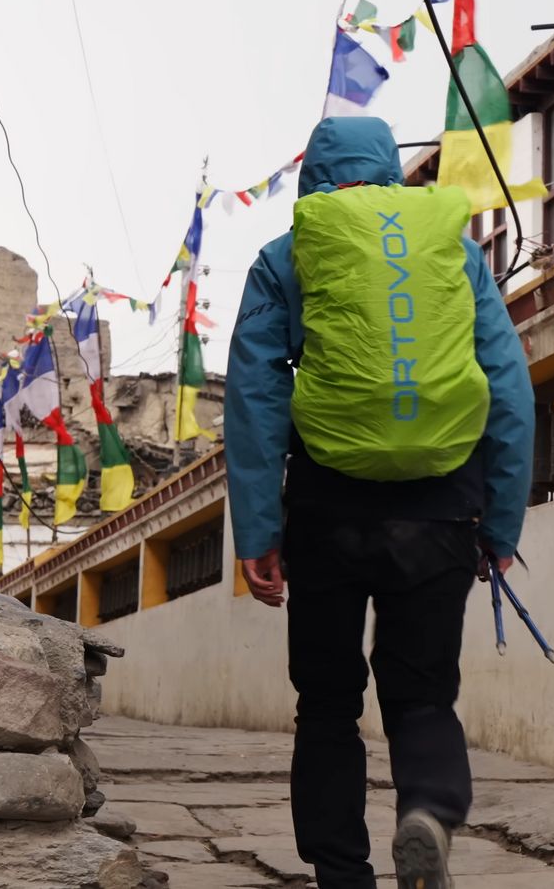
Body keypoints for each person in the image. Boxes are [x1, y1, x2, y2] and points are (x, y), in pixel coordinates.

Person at [225, 116, 535, 889]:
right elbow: (508, 392)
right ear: (391, 173)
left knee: (327, 703)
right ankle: (427, 809)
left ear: (315, 178)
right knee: (424, 693)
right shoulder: (456, 252)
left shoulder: (286, 254)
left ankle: (342, 873)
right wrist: (500, 525)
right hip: (442, 508)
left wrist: (260, 531)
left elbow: (257, 401)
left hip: (327, 509)